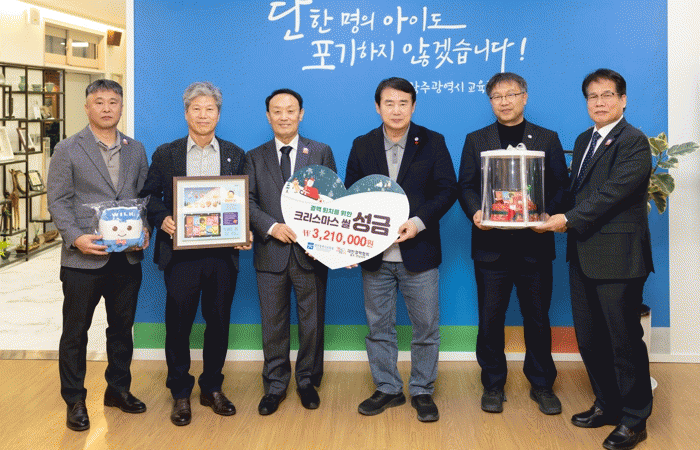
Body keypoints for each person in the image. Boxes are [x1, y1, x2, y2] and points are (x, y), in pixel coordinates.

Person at [536, 69, 653, 450]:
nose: (599, 102)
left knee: (624, 342)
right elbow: (575, 192)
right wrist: (541, 212)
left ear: (623, 100)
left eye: (607, 95)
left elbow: (612, 194)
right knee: (590, 339)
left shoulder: (634, 142)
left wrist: (566, 220)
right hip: (583, 255)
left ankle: (634, 420)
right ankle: (607, 404)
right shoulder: (585, 139)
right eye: (592, 96)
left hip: (619, 259)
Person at [345, 77, 457, 422]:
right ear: (377, 107)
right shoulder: (362, 144)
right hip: (375, 256)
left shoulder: (433, 141)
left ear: (413, 106)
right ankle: (388, 388)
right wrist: (348, 247)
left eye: (403, 103)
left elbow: (447, 190)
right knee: (379, 328)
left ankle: (422, 389)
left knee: (425, 327)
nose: (396, 110)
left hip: (419, 252)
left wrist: (418, 222)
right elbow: (350, 197)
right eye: (389, 103)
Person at [457, 72, 569, 415]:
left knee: (537, 318)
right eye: (497, 96)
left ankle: (542, 385)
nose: (504, 102)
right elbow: (466, 186)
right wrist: (476, 212)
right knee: (490, 320)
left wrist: (546, 213)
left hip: (535, 246)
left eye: (511, 94)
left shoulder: (547, 138)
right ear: (490, 101)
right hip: (490, 247)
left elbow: (562, 186)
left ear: (524, 97)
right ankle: (493, 384)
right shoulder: (476, 139)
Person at [139, 82, 250, 426]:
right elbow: (149, 196)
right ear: (186, 113)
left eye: (210, 109)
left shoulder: (234, 154)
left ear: (218, 114)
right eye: (196, 109)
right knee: (178, 325)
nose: (203, 115)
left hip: (222, 255)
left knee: (218, 323)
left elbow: (243, 201)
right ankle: (180, 392)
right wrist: (163, 218)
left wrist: (244, 229)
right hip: (180, 255)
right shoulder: (166, 153)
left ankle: (212, 387)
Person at [47, 79, 149, 432]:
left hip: (126, 258)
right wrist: (75, 238)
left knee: (121, 329)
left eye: (113, 102)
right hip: (83, 259)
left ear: (121, 106)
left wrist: (145, 230)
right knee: (76, 332)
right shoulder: (67, 148)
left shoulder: (136, 149)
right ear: (87, 107)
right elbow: (58, 200)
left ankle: (118, 390)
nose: (107, 108)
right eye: (99, 102)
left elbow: (144, 197)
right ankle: (75, 400)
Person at [244, 88, 336, 415]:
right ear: (268, 116)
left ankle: (307, 381)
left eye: (290, 110)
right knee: (273, 324)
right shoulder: (254, 156)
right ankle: (275, 385)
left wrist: (320, 240)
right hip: (271, 253)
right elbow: (247, 200)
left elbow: (332, 200)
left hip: (310, 255)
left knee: (312, 323)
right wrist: (271, 226)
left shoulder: (320, 152)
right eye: (277, 111)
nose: (284, 116)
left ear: (301, 114)